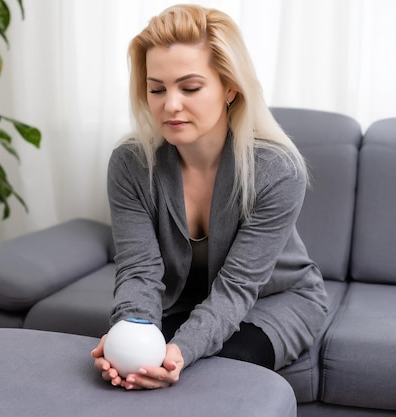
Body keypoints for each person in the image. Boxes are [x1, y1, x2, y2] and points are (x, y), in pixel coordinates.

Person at [91, 4, 328, 390]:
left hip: (274, 302)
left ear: (230, 87)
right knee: (129, 367)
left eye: (190, 87)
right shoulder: (130, 164)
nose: (170, 105)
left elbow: (237, 287)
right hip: (183, 301)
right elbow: (138, 271)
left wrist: (180, 351)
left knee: (218, 375)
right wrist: (127, 339)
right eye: (156, 89)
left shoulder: (277, 169)